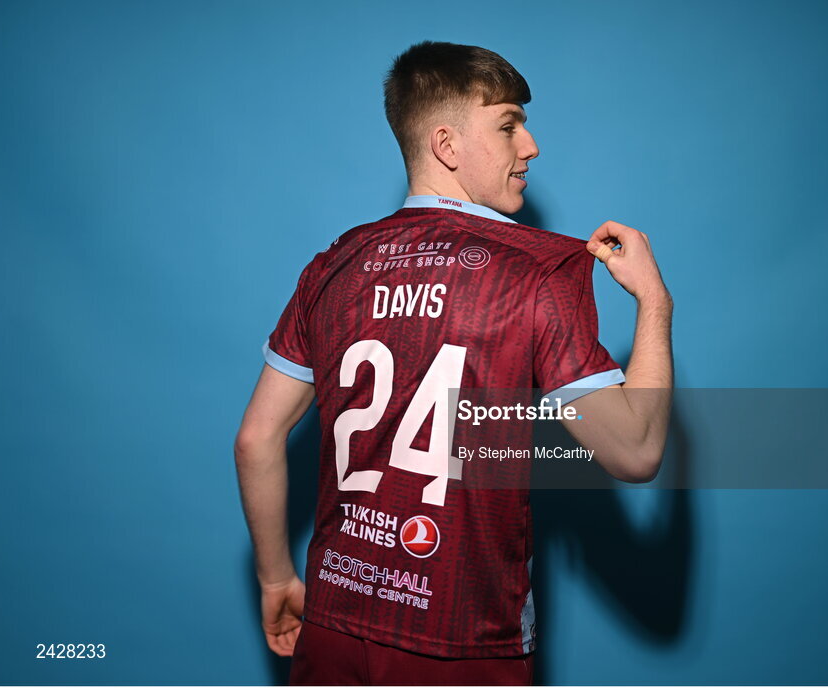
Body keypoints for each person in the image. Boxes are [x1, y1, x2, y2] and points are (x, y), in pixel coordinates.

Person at [234, 40, 673, 686]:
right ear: (446, 144)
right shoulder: (542, 271)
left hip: (333, 625)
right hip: (462, 643)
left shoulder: (332, 266)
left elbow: (256, 438)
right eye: (509, 126)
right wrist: (655, 303)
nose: (531, 146)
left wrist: (276, 578)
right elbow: (635, 451)